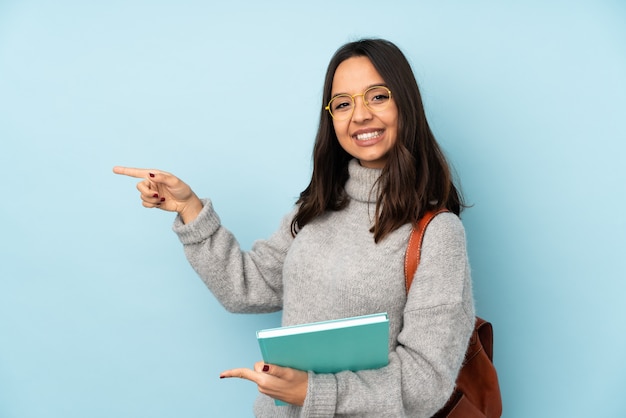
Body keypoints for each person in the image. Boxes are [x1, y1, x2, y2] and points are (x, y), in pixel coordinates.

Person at [114, 38, 475, 417]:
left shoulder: (437, 234)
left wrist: (314, 392)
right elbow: (246, 289)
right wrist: (190, 208)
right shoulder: (316, 207)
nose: (361, 115)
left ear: (406, 103)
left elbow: (427, 381)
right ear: (331, 116)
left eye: (378, 96)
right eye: (343, 103)